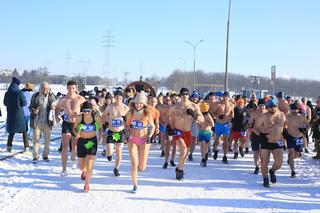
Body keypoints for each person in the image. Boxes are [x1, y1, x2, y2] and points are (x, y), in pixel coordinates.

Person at [167, 88, 204, 180]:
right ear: (180, 96)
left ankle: (179, 169)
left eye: (186, 94)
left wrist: (194, 115)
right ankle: (180, 171)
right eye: (183, 94)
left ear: (189, 95)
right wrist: (169, 127)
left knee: (185, 154)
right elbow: (167, 116)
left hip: (187, 132)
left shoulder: (194, 106)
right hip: (177, 132)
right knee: (183, 150)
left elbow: (202, 119)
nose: (184, 96)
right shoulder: (175, 107)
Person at [125, 91, 155, 193]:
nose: (138, 105)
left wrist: (150, 136)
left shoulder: (147, 114)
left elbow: (153, 127)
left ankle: (139, 170)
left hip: (143, 140)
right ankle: (135, 184)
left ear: (144, 104)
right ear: (134, 103)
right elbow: (127, 125)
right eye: (137, 103)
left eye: (140, 103)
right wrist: (127, 132)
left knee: (141, 167)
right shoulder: (130, 113)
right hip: (132, 139)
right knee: (134, 163)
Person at [55, 80, 86, 176]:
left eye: (73, 88)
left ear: (76, 88)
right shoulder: (63, 99)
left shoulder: (80, 99)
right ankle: (64, 169)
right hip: (66, 123)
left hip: (77, 124)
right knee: (64, 146)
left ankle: (73, 159)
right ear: (67, 88)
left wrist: (79, 114)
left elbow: (86, 110)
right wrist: (56, 116)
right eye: (69, 88)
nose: (71, 90)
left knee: (74, 146)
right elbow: (57, 108)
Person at [73, 101, 103, 192]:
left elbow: (101, 127)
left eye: (88, 111)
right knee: (82, 166)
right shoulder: (79, 117)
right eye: (84, 111)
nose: (86, 113)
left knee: (89, 163)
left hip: (92, 141)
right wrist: (76, 132)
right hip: (81, 141)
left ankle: (87, 184)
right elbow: (74, 128)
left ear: (91, 110)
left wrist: (100, 136)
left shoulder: (96, 117)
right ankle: (84, 171)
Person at [255, 99, 286, 187]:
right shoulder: (264, 116)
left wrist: (286, 133)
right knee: (264, 162)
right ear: (267, 108)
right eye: (270, 107)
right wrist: (261, 135)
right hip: (266, 141)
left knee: (279, 163)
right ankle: (265, 179)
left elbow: (286, 125)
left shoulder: (282, 115)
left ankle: (272, 171)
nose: (272, 108)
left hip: (278, 141)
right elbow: (255, 128)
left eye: (274, 106)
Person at [101, 90, 129, 176]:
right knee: (109, 151)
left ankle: (116, 168)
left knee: (119, 150)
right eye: (117, 98)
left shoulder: (125, 108)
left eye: (120, 98)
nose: (118, 99)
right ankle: (109, 155)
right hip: (111, 131)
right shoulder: (110, 106)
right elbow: (104, 115)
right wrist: (103, 125)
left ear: (122, 98)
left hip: (121, 131)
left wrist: (126, 121)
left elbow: (129, 120)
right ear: (114, 98)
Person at [29, 82, 56, 163]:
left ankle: (45, 156)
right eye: (43, 88)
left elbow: (56, 105)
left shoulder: (51, 96)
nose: (45, 90)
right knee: (36, 140)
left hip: (47, 122)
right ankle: (35, 156)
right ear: (40, 88)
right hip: (37, 121)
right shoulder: (35, 96)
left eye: (47, 88)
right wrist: (34, 111)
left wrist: (53, 107)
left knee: (47, 140)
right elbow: (30, 107)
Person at [4, 77, 30, 153]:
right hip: (19, 116)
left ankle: (9, 147)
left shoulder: (7, 93)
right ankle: (26, 147)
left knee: (12, 131)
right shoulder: (19, 93)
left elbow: (5, 103)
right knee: (24, 131)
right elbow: (24, 103)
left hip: (10, 115)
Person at [284, 102, 309, 178]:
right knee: (291, 153)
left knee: (296, 155)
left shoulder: (302, 117)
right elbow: (283, 125)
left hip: (299, 137)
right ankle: (293, 171)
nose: (293, 111)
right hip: (290, 137)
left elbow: (308, 125)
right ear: (290, 109)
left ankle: (290, 160)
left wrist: (304, 129)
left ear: (298, 110)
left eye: (295, 110)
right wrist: (284, 132)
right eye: (292, 110)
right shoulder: (287, 116)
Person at [213, 91, 234, 163]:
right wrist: (218, 115)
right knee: (216, 140)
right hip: (218, 124)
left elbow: (232, 115)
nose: (225, 98)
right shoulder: (218, 104)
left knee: (226, 141)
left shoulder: (231, 105)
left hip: (226, 124)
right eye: (224, 96)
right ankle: (215, 149)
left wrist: (230, 119)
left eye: (227, 97)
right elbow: (213, 112)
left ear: (229, 98)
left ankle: (225, 156)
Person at [247, 98, 266, 174]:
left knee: (263, 152)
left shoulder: (268, 113)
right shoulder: (254, 114)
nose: (262, 107)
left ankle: (262, 165)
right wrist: (251, 127)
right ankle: (256, 166)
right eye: (261, 106)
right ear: (258, 106)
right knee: (256, 151)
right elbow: (249, 123)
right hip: (255, 134)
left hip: (265, 134)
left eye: (263, 106)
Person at [198, 102, 214, 167]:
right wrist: (198, 124)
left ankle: (205, 155)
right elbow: (198, 123)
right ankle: (203, 159)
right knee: (202, 145)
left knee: (206, 147)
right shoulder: (200, 115)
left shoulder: (208, 115)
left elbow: (212, 124)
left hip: (208, 133)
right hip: (201, 132)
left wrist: (205, 122)